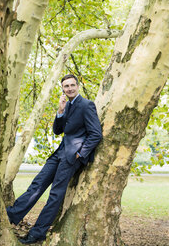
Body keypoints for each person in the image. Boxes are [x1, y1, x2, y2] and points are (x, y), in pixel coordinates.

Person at [6, 74, 102, 244]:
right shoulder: (66, 105)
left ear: (77, 86)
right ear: (63, 89)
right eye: (66, 86)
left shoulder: (87, 105)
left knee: (55, 195)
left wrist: (81, 154)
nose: (70, 88)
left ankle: (37, 233)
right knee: (38, 184)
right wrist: (60, 111)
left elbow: (96, 134)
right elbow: (58, 131)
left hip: (72, 157)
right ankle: (12, 215)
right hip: (59, 153)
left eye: (72, 85)